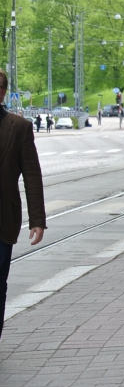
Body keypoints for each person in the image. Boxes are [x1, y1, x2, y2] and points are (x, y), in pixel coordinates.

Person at [0, 69, 46, 338]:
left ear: (3, 92)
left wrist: (37, 220)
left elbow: (32, 175)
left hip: (3, 220)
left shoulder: (19, 127)